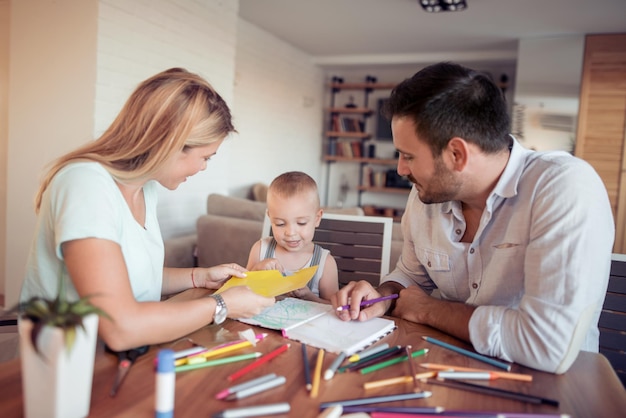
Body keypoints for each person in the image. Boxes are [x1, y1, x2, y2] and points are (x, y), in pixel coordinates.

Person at [332, 62, 615, 374]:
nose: (401, 169)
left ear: (457, 154)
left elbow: (545, 344)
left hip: (548, 385)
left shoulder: (564, 188)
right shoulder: (426, 196)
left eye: (408, 156)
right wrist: (383, 295)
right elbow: (412, 277)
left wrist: (428, 310)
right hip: (444, 365)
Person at [20, 68, 275, 351]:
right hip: (67, 363)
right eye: (205, 157)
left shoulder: (145, 188)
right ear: (171, 143)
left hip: (127, 353)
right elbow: (120, 328)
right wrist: (222, 304)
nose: (203, 167)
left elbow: (134, 275)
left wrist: (199, 276)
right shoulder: (85, 185)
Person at [246, 171, 338, 303]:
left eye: (301, 223)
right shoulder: (260, 250)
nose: (290, 232)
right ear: (270, 218)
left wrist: (309, 297)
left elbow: (333, 307)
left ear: (317, 219)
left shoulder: (325, 263)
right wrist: (256, 270)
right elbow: (241, 290)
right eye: (280, 224)